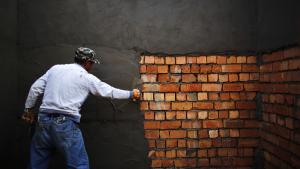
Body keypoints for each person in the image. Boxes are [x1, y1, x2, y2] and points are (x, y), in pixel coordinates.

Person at [21, 47, 140, 169]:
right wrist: (131, 94)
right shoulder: (86, 77)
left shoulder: (55, 69)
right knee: (78, 165)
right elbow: (108, 91)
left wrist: (28, 110)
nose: (92, 66)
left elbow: (35, 89)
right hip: (65, 124)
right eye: (92, 63)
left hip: (43, 122)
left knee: (37, 163)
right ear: (87, 62)